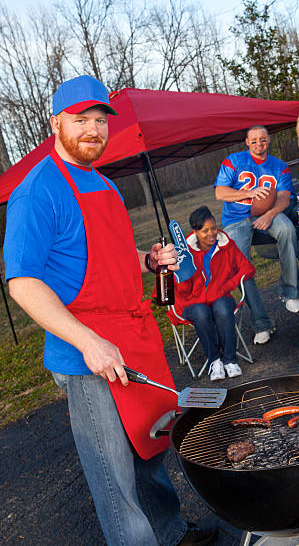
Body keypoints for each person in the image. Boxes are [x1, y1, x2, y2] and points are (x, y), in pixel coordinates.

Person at [3, 75, 215, 546]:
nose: (94, 130)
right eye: (81, 120)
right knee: (113, 473)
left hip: (132, 337)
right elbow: (22, 282)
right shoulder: (37, 191)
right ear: (55, 122)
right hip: (88, 351)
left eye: (100, 120)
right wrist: (88, 343)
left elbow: (103, 253)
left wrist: (148, 260)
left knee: (150, 444)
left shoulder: (102, 181)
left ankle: (171, 530)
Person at [214, 125, 299, 345]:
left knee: (287, 229)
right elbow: (220, 192)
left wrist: (271, 214)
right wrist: (249, 193)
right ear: (246, 142)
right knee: (240, 266)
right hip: (236, 217)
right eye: (254, 141)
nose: (258, 144)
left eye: (262, 140)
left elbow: (283, 197)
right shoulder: (233, 161)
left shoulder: (279, 166)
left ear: (269, 139)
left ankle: (290, 292)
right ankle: (262, 323)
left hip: (266, 212)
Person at [171, 206, 256, 381]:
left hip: (220, 297)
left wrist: (227, 285)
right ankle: (215, 361)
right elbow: (180, 291)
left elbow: (248, 268)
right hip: (192, 303)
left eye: (214, 228)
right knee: (202, 312)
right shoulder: (184, 253)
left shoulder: (226, 245)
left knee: (223, 308)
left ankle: (230, 360)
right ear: (195, 232)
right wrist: (184, 275)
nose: (212, 234)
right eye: (205, 230)